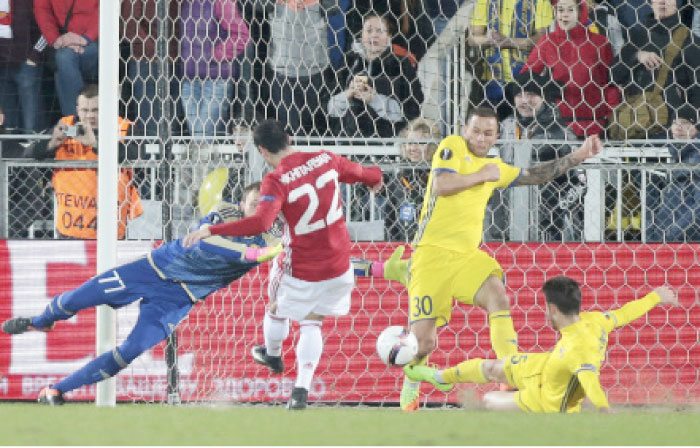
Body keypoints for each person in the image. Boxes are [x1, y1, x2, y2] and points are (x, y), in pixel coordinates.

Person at [1, 181, 405, 405]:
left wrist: (381, 268)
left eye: (263, 207)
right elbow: (207, 244)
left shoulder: (279, 240)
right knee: (76, 300)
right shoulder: (227, 216)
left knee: (129, 352)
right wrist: (260, 251)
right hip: (152, 270)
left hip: (178, 300)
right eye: (252, 202)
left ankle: (56, 391)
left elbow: (328, 267)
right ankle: (39, 322)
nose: (253, 210)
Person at [399, 106, 604, 412]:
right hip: (431, 254)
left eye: (488, 133)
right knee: (424, 343)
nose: (480, 138)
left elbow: (534, 175)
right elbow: (442, 186)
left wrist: (579, 155)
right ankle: (412, 381)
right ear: (465, 129)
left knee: (498, 295)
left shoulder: (495, 166)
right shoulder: (452, 146)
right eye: (476, 130)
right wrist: (483, 175)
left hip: (467, 256)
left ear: (497, 136)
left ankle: (509, 372)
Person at [182, 119, 383, 410]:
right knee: (312, 321)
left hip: (301, 267)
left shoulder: (276, 180)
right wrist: (376, 179)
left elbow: (261, 222)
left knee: (276, 307)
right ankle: (300, 390)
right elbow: (362, 173)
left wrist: (212, 230)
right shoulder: (325, 158)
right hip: (340, 265)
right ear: (290, 137)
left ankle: (273, 353)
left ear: (262, 151)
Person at [404, 276, 679, 413]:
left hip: (547, 400)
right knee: (493, 368)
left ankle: (445, 380)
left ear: (554, 309)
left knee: (488, 401)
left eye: (545, 308)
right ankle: (436, 376)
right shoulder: (595, 320)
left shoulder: (578, 348)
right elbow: (624, 313)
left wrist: (605, 413)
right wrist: (655, 296)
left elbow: (590, 380)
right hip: (546, 365)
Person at [24, 83, 143, 239]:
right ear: (77, 109)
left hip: (110, 230)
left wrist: (95, 143)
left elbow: (136, 156)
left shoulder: (125, 128)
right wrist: (51, 144)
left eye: (96, 110)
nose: (89, 116)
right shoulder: (65, 125)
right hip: (68, 228)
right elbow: (27, 154)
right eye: (85, 110)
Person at [501, 70, 586, 242]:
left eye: (531, 94)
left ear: (543, 97)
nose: (525, 101)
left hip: (553, 222)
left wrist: (558, 209)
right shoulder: (506, 127)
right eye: (519, 95)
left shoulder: (560, 131)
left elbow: (581, 180)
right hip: (511, 213)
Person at [520, 0, 620, 138]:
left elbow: (611, 81)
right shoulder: (547, 42)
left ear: (580, 13)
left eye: (570, 10)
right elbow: (526, 77)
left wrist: (611, 114)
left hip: (595, 125)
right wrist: (547, 88)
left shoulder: (600, 43)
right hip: (558, 126)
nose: (564, 15)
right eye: (560, 10)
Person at [611, 0, 700, 139]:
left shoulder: (690, 41)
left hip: (672, 131)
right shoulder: (637, 37)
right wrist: (637, 56)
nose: (662, 1)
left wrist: (692, 123)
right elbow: (613, 76)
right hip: (634, 127)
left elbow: (697, 91)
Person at [327, 13, 423, 138]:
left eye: (379, 31)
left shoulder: (402, 65)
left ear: (389, 37)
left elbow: (413, 109)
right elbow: (328, 108)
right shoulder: (348, 62)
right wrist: (347, 94)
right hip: (348, 141)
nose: (374, 35)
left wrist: (375, 100)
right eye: (369, 30)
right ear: (361, 35)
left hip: (387, 142)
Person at [467, 0, 554, 120]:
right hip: (493, 81)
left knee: (526, 128)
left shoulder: (540, 1)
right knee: (492, 128)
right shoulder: (485, 1)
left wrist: (509, 42)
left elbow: (542, 38)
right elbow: (472, 38)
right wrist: (489, 39)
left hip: (526, 83)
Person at [179, 0, 249, 138]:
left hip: (216, 79)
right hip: (189, 79)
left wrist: (214, 55)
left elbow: (242, 36)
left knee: (203, 137)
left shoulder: (221, 3)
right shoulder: (185, 4)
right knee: (197, 136)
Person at [34, 0, 100, 117]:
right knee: (63, 60)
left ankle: (74, 121)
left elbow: (107, 9)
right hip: (64, 41)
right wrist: (57, 40)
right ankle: (77, 123)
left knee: (63, 61)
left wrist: (85, 38)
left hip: (97, 39)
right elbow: (42, 10)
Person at [647, 105, 700, 242]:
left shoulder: (695, 156)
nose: (678, 127)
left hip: (683, 241)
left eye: (685, 123)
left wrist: (669, 237)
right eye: (674, 123)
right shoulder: (679, 154)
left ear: (696, 128)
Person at [385, 118, 439, 242]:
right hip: (404, 248)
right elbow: (389, 224)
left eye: (419, 143)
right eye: (409, 143)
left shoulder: (441, 177)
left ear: (432, 145)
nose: (413, 148)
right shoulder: (398, 180)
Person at [0, 0, 46, 132]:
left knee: (32, 128)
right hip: (2, 69)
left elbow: (47, 27)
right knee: (9, 127)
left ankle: (34, 146)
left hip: (26, 64)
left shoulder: (27, 2)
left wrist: (34, 56)